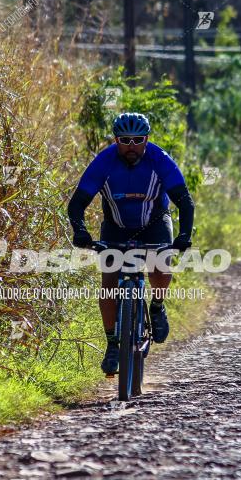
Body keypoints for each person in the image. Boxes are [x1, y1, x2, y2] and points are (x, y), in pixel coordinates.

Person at [67, 113, 195, 375]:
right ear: (116, 140)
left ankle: (157, 307)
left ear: (147, 139)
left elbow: (184, 200)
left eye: (138, 140)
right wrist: (80, 231)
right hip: (116, 226)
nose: (131, 146)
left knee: (159, 268)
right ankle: (113, 343)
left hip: (155, 223)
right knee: (110, 284)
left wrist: (184, 236)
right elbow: (77, 202)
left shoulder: (159, 159)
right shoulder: (104, 161)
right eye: (125, 140)